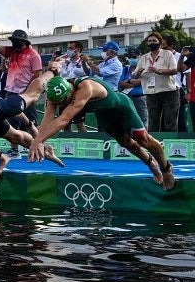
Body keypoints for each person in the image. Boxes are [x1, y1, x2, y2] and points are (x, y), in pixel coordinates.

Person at [32, 75, 175, 190]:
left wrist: (38, 141)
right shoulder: (54, 95)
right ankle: (151, 165)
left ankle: (166, 168)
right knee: (126, 143)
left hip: (122, 108)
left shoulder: (85, 87)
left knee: (142, 139)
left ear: (69, 92)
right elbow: (46, 121)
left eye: (63, 102)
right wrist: (37, 141)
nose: (61, 106)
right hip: (104, 116)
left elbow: (63, 119)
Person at [0, 25, 43, 125]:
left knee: (30, 123)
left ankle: (34, 140)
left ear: (24, 42)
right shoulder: (11, 52)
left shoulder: (33, 54)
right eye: (13, 41)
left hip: (26, 93)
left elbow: (38, 75)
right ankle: (14, 141)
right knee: (11, 123)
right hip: (10, 93)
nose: (14, 43)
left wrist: (30, 90)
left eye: (17, 41)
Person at [132, 31, 179, 131]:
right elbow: (135, 75)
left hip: (168, 91)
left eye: (154, 40)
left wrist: (159, 71)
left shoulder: (168, 54)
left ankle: (169, 144)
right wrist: (138, 73)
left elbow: (175, 70)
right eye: (149, 41)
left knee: (170, 121)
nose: (151, 43)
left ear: (160, 42)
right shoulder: (144, 57)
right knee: (153, 121)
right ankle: (154, 144)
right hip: (151, 92)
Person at [57, 41, 89, 132]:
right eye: (68, 48)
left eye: (70, 48)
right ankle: (67, 145)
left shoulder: (84, 62)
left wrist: (85, 63)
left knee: (79, 123)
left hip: (78, 96)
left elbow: (88, 73)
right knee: (65, 124)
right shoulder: (65, 62)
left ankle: (84, 143)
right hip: (65, 95)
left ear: (77, 49)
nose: (68, 51)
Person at [118, 51, 149, 129]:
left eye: (134, 57)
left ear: (139, 57)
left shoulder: (144, 69)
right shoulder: (125, 69)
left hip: (140, 97)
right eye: (130, 57)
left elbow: (140, 82)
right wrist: (132, 82)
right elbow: (120, 83)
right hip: (127, 98)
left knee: (143, 119)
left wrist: (127, 81)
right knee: (127, 119)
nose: (132, 59)